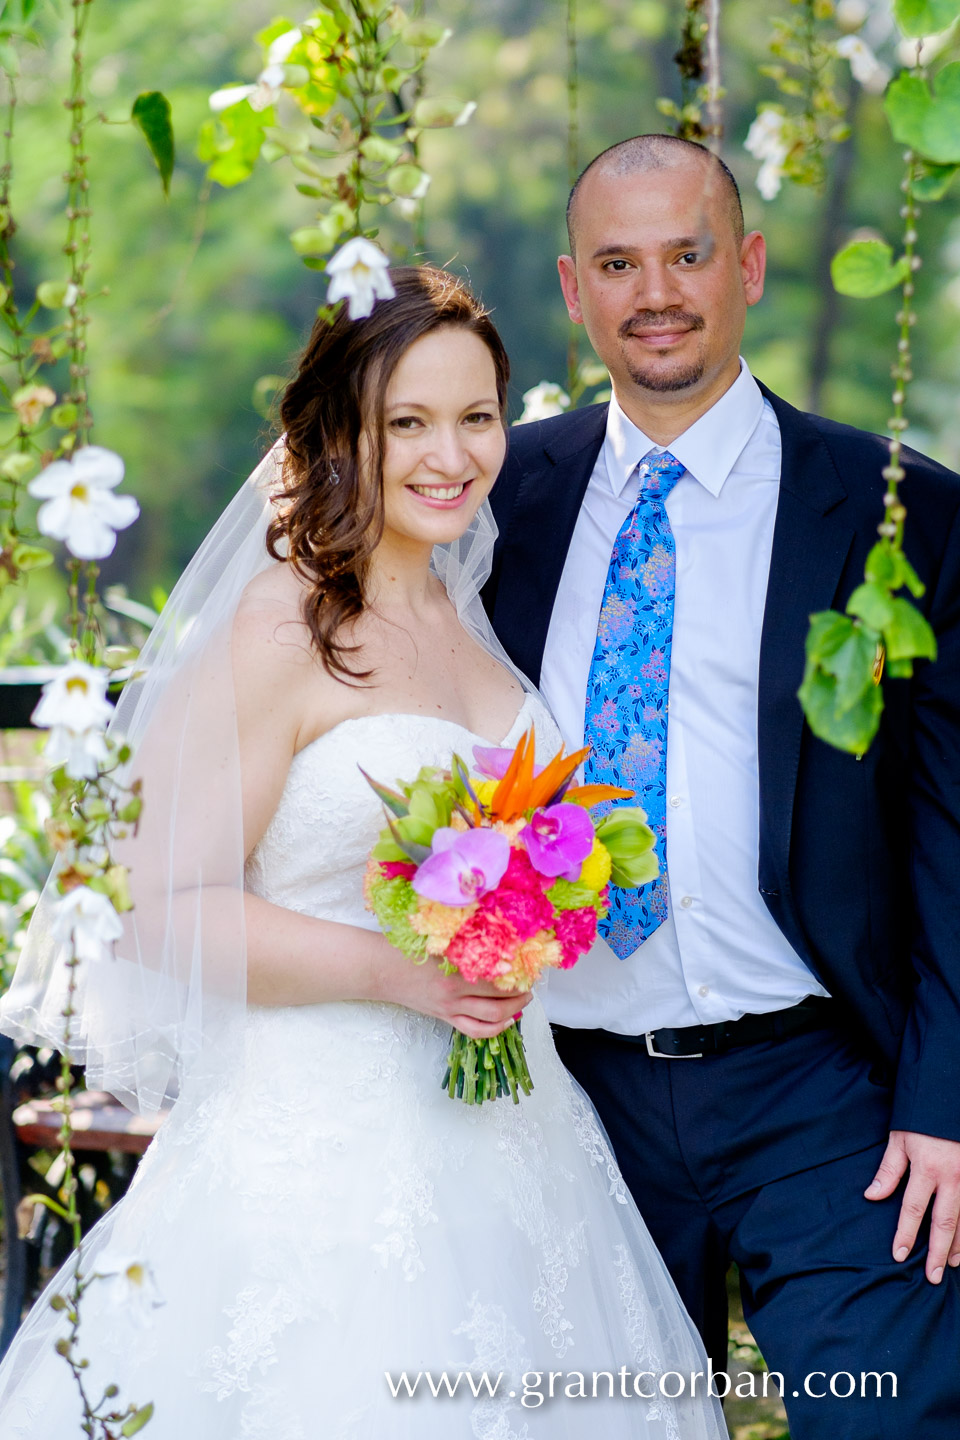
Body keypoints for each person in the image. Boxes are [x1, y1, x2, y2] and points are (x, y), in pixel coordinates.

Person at [0, 266, 726, 1439]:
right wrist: (404, 969)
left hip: (522, 1144)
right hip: (322, 1162)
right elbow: (161, 909)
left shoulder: (477, 626)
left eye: (478, 416)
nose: (453, 454)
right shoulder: (287, 625)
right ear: (342, 434)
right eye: (409, 422)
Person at [483, 133, 960, 1438]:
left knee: (889, 1422)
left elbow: (954, 836)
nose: (658, 292)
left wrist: (948, 1109)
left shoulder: (899, 515)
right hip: (570, 1093)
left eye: (688, 254)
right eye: (619, 264)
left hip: (821, 1092)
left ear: (744, 266)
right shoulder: (499, 504)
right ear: (575, 292)